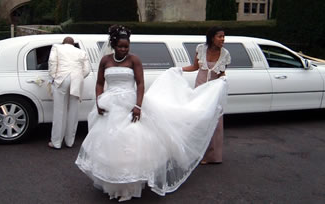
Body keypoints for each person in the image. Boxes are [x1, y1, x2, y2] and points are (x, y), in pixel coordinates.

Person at [75, 25, 228, 201]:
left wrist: (138, 106)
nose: (123, 49)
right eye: (120, 46)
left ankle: (131, 184)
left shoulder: (134, 60)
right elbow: (100, 83)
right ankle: (114, 184)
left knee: (133, 142)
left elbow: (140, 84)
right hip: (109, 105)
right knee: (109, 144)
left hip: (130, 104)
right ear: (114, 45)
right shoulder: (105, 61)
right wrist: (99, 99)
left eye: (126, 46)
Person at [182, 26, 231, 164]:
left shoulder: (225, 54)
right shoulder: (201, 49)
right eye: (220, 36)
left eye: (223, 36)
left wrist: (223, 80)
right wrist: (179, 69)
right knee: (198, 121)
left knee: (215, 122)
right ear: (211, 37)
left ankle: (213, 156)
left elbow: (222, 73)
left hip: (214, 93)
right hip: (200, 89)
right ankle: (197, 154)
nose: (223, 39)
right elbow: (194, 67)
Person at [48, 37, 90, 149]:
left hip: (62, 78)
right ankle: (69, 141)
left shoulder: (57, 47)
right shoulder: (81, 52)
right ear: (73, 44)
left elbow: (52, 62)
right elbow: (87, 70)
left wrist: (54, 77)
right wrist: (79, 77)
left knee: (59, 111)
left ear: (63, 43)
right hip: (77, 79)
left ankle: (56, 142)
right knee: (73, 111)